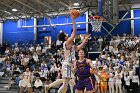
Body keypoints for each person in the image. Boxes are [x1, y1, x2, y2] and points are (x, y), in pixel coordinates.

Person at [45, 15, 90, 93]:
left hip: (68, 64)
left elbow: (78, 48)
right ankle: (48, 87)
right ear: (65, 37)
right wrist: (73, 20)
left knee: (65, 82)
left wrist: (84, 40)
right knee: (65, 85)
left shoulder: (70, 44)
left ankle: (48, 86)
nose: (67, 34)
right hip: (67, 64)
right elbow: (74, 31)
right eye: (66, 34)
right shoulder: (67, 42)